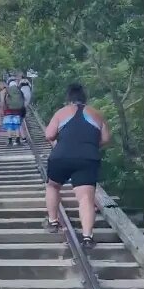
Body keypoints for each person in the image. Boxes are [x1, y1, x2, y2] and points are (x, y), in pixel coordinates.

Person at [44, 83, 111, 249]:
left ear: (68, 98)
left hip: (61, 156)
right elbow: (106, 139)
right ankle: (87, 237)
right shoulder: (97, 114)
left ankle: (53, 222)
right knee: (86, 198)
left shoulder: (61, 112)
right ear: (85, 98)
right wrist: (89, 145)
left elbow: (49, 135)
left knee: (53, 186)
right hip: (88, 158)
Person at [2, 74, 28, 146]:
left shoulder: (7, 90)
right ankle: (17, 140)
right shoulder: (19, 90)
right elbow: (24, 99)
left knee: (9, 126)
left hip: (8, 111)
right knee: (17, 125)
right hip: (17, 111)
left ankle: (10, 141)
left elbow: (4, 100)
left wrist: (4, 108)